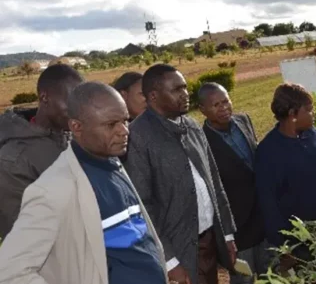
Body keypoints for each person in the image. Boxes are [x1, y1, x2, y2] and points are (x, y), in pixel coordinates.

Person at [0, 82, 167, 284]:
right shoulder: (52, 190)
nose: (124, 131)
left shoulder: (111, 162)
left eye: (125, 120)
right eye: (110, 124)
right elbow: (10, 272)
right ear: (76, 127)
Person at [124, 64, 237, 284]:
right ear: (154, 96)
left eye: (185, 88)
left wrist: (228, 235)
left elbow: (214, 182)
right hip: (178, 251)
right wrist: (170, 261)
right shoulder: (137, 138)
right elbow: (143, 207)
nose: (185, 94)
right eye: (176, 90)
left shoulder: (192, 126)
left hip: (208, 241)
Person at [254, 83, 316, 272]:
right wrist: (286, 249)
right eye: (308, 110)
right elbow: (269, 204)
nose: (313, 113)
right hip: (300, 243)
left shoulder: (311, 135)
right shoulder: (268, 152)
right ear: (293, 114)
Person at [0, 64, 83, 238]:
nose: (77, 111)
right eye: (70, 102)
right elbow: (22, 235)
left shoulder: (75, 136)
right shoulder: (14, 159)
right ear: (45, 97)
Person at [198, 83, 270, 284]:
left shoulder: (243, 120)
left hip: (262, 218)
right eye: (215, 105)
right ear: (202, 110)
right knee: (244, 279)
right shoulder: (202, 141)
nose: (223, 108)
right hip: (237, 228)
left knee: (270, 273)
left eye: (225, 101)